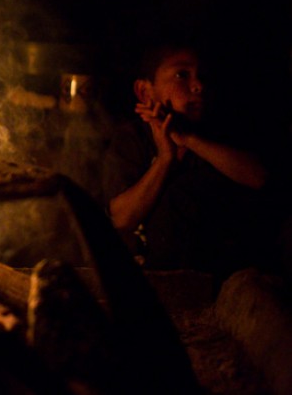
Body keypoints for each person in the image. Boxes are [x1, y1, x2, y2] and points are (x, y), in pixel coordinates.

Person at [101, 41, 277, 278]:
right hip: (156, 283)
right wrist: (165, 158)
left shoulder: (223, 133)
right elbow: (122, 219)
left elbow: (260, 178)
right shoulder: (132, 139)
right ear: (145, 91)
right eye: (181, 75)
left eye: (201, 76)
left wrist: (189, 139)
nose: (198, 86)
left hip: (222, 286)